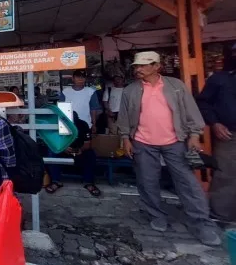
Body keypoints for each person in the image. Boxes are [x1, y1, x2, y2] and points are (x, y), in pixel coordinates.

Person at [117, 51, 221, 246]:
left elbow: (191, 111)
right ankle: (156, 215)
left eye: (143, 65)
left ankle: (201, 223)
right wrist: (125, 138)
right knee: (147, 182)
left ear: (157, 66)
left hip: (175, 141)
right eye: (136, 66)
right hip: (142, 141)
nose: (138, 69)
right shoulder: (130, 90)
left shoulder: (176, 87)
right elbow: (123, 118)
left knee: (187, 183)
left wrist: (194, 135)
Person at [196, 43, 236, 223]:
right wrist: (215, 123)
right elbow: (203, 103)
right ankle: (221, 215)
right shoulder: (219, 79)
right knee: (226, 174)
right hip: (229, 135)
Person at [45, 111, 100, 196]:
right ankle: (56, 181)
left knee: (91, 154)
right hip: (63, 151)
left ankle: (88, 182)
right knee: (51, 151)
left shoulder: (83, 125)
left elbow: (88, 144)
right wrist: (63, 148)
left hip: (79, 151)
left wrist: (80, 150)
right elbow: (54, 142)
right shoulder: (59, 124)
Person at [60, 70, 101, 134]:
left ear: (85, 79)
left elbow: (93, 110)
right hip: (68, 126)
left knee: (86, 143)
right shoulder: (65, 92)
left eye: (83, 77)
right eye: (78, 77)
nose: (80, 79)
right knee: (70, 144)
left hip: (86, 125)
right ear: (73, 78)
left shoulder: (91, 91)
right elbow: (61, 110)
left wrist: (94, 124)